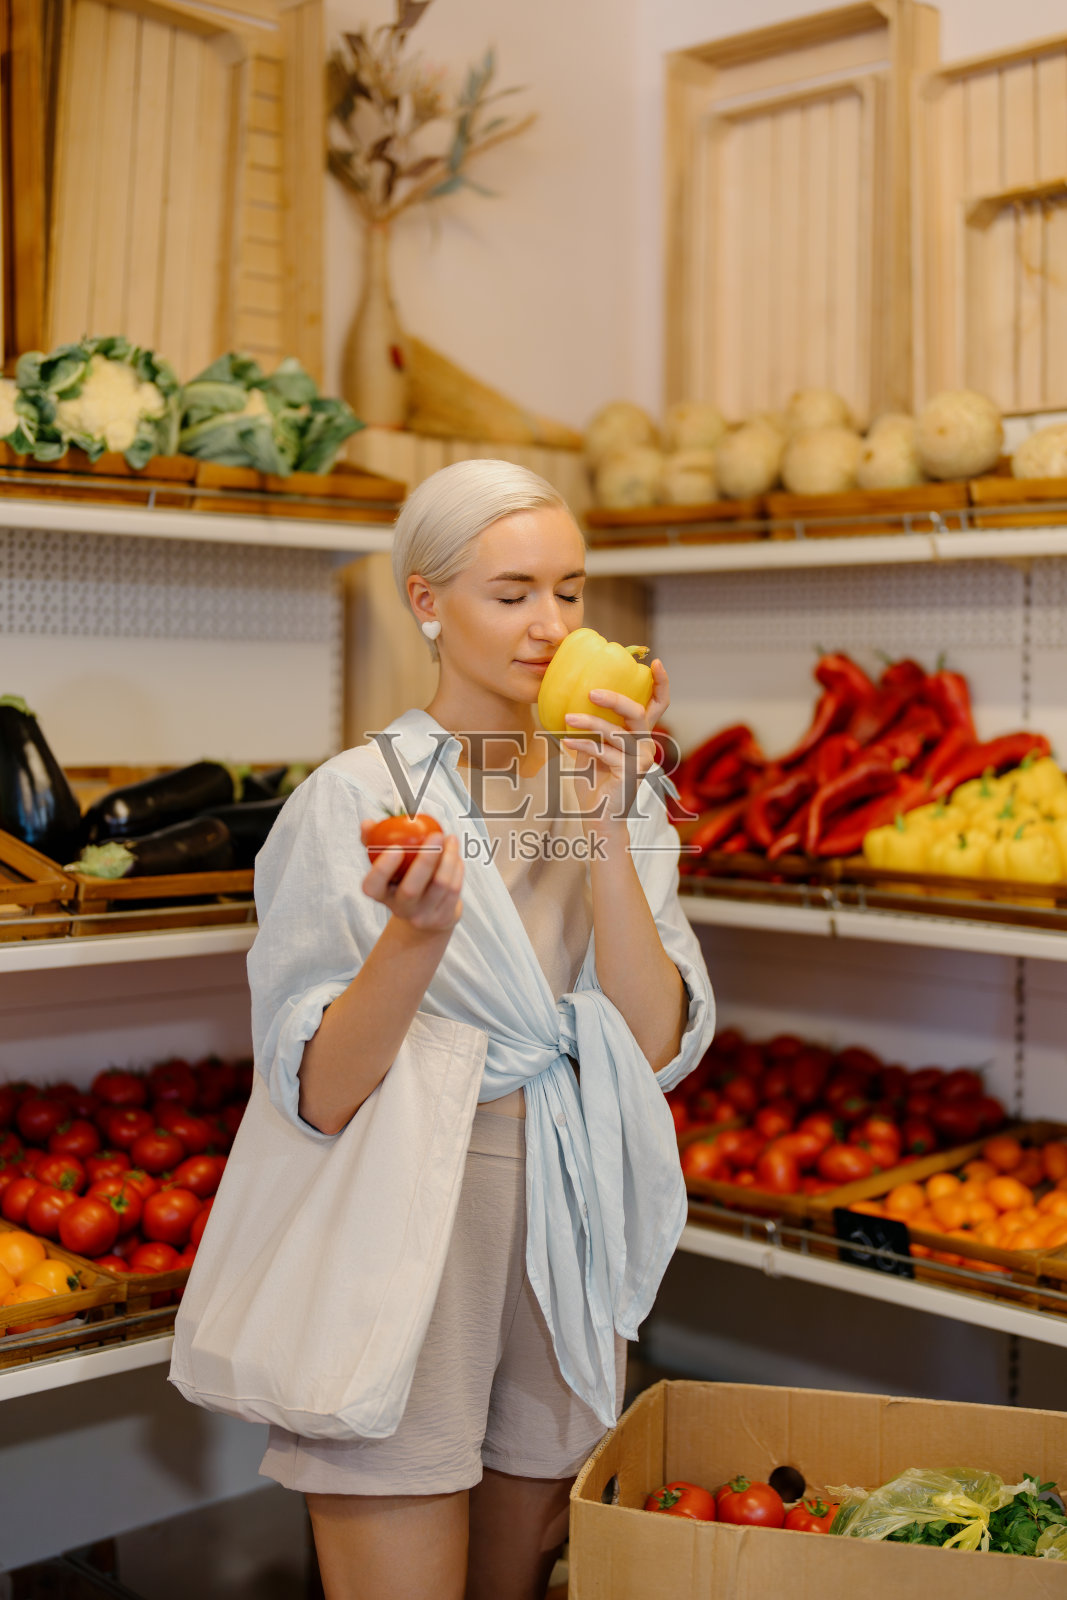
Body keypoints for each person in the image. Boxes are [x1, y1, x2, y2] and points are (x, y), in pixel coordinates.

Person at [249, 459, 715, 1599]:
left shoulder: (618, 789)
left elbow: (652, 1048)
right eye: (511, 593)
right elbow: (316, 1092)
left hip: (561, 1214)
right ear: (425, 601)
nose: (550, 626)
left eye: (570, 590)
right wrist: (415, 936)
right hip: (403, 1214)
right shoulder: (352, 801)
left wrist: (607, 822)